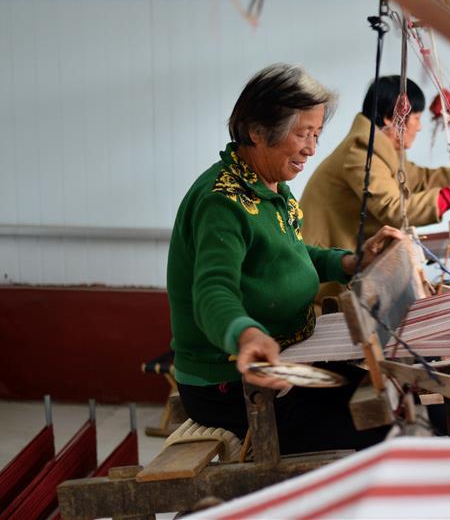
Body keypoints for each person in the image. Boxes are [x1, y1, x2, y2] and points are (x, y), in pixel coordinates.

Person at [166, 64, 402, 455]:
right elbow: (211, 290)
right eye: (302, 134)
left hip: (291, 353)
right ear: (258, 132)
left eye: (316, 134)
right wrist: (245, 333)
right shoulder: (221, 203)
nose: (312, 148)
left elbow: (288, 255)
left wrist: (349, 263)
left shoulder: (268, 187)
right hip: (231, 385)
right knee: (382, 430)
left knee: (390, 391)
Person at [301, 76, 450, 302]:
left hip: (344, 254)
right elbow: (392, 209)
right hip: (325, 267)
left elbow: (417, 178)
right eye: (417, 118)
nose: (419, 127)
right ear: (391, 118)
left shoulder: (380, 147)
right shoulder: (361, 151)